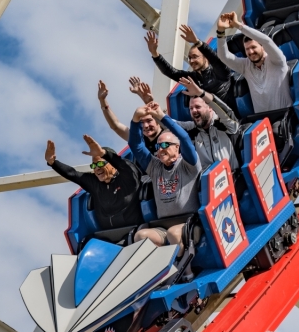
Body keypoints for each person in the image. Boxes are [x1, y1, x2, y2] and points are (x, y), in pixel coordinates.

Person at [130, 102, 202, 247]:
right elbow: (136, 145)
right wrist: (135, 120)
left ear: (177, 147)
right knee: (141, 236)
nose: (160, 149)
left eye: (164, 145)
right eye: (157, 146)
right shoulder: (155, 167)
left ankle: (187, 270)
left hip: (189, 222)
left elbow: (184, 138)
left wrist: (162, 117)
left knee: (174, 234)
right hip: (163, 225)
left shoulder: (189, 164)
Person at [45, 134, 144, 232]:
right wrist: (53, 163)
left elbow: (124, 165)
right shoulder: (95, 183)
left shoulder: (127, 177)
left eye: (100, 163)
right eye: (94, 165)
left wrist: (104, 153)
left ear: (113, 165)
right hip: (107, 236)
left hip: (134, 231)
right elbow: (72, 174)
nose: (97, 168)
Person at [215, 11, 292, 114]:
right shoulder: (245, 66)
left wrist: (239, 25)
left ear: (262, 47)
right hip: (262, 122)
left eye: (253, 47)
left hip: (284, 117)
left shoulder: (277, 60)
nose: (250, 52)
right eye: (247, 49)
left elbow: (267, 41)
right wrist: (220, 32)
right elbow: (223, 56)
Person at [146, 27, 237, 105]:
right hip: (210, 118)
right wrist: (155, 54)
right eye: (189, 58)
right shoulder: (193, 78)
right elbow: (171, 72)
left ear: (206, 58)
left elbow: (214, 59)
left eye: (195, 57)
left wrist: (197, 42)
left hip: (231, 115)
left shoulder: (220, 71)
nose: (191, 61)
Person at [177, 77, 240, 171]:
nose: (194, 111)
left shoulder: (225, 124)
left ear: (210, 107)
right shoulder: (192, 129)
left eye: (198, 107)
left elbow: (226, 111)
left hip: (234, 178)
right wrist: (153, 112)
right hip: (208, 182)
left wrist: (201, 93)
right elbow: (169, 124)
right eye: (191, 108)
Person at [97, 78, 163, 154]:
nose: (145, 125)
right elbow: (115, 126)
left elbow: (161, 117)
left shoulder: (169, 131)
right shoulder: (139, 139)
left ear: (157, 121)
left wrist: (148, 102)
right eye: (141, 122)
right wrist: (102, 100)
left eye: (149, 121)